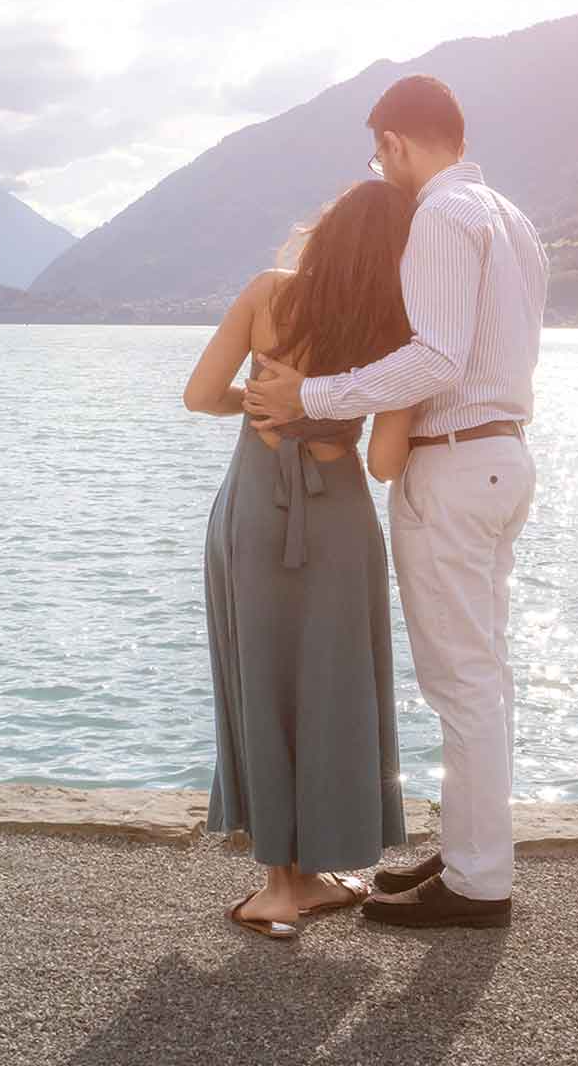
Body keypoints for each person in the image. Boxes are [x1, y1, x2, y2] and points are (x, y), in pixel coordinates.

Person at [245, 74, 549, 930]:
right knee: (485, 677)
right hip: (501, 457)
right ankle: (469, 855)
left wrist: (317, 394)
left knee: (461, 684)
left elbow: (436, 359)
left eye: (380, 150)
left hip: (453, 464)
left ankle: (480, 883)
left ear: (398, 142)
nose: (381, 167)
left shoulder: (442, 219)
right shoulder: (512, 219)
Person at [182, 179, 417, 939]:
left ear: (324, 233)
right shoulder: (398, 325)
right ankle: (313, 870)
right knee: (333, 683)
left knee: (263, 675)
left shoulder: (267, 293)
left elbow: (200, 394)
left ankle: (284, 885)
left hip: (256, 503)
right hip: (338, 512)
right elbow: (384, 461)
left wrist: (263, 405)